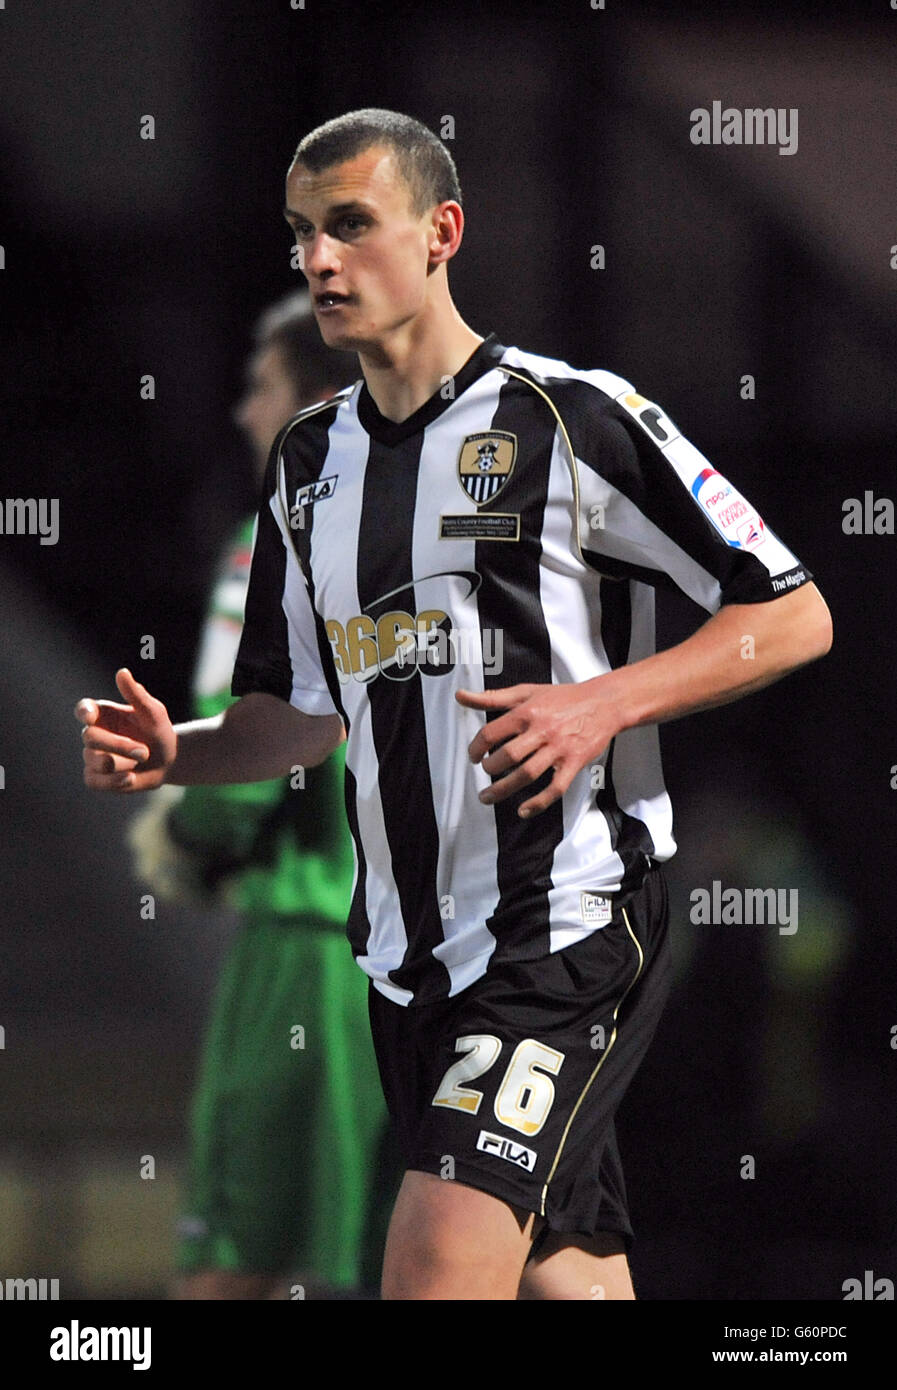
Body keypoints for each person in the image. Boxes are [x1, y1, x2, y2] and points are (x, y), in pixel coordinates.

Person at [76, 108, 833, 1301]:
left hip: (566, 928)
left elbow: (794, 613)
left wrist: (602, 707)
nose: (319, 261)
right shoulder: (309, 465)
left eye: (351, 227)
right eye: (302, 235)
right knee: (569, 1277)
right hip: (405, 962)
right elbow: (300, 718)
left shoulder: (572, 419)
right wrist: (177, 752)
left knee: (432, 1269)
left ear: (443, 233)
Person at [127, 292, 396, 1299]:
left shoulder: (270, 546)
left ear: (315, 403)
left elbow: (236, 781)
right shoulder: (430, 540)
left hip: (307, 956)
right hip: (435, 964)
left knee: (232, 1263)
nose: (244, 412)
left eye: (261, 387)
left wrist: (186, 838)